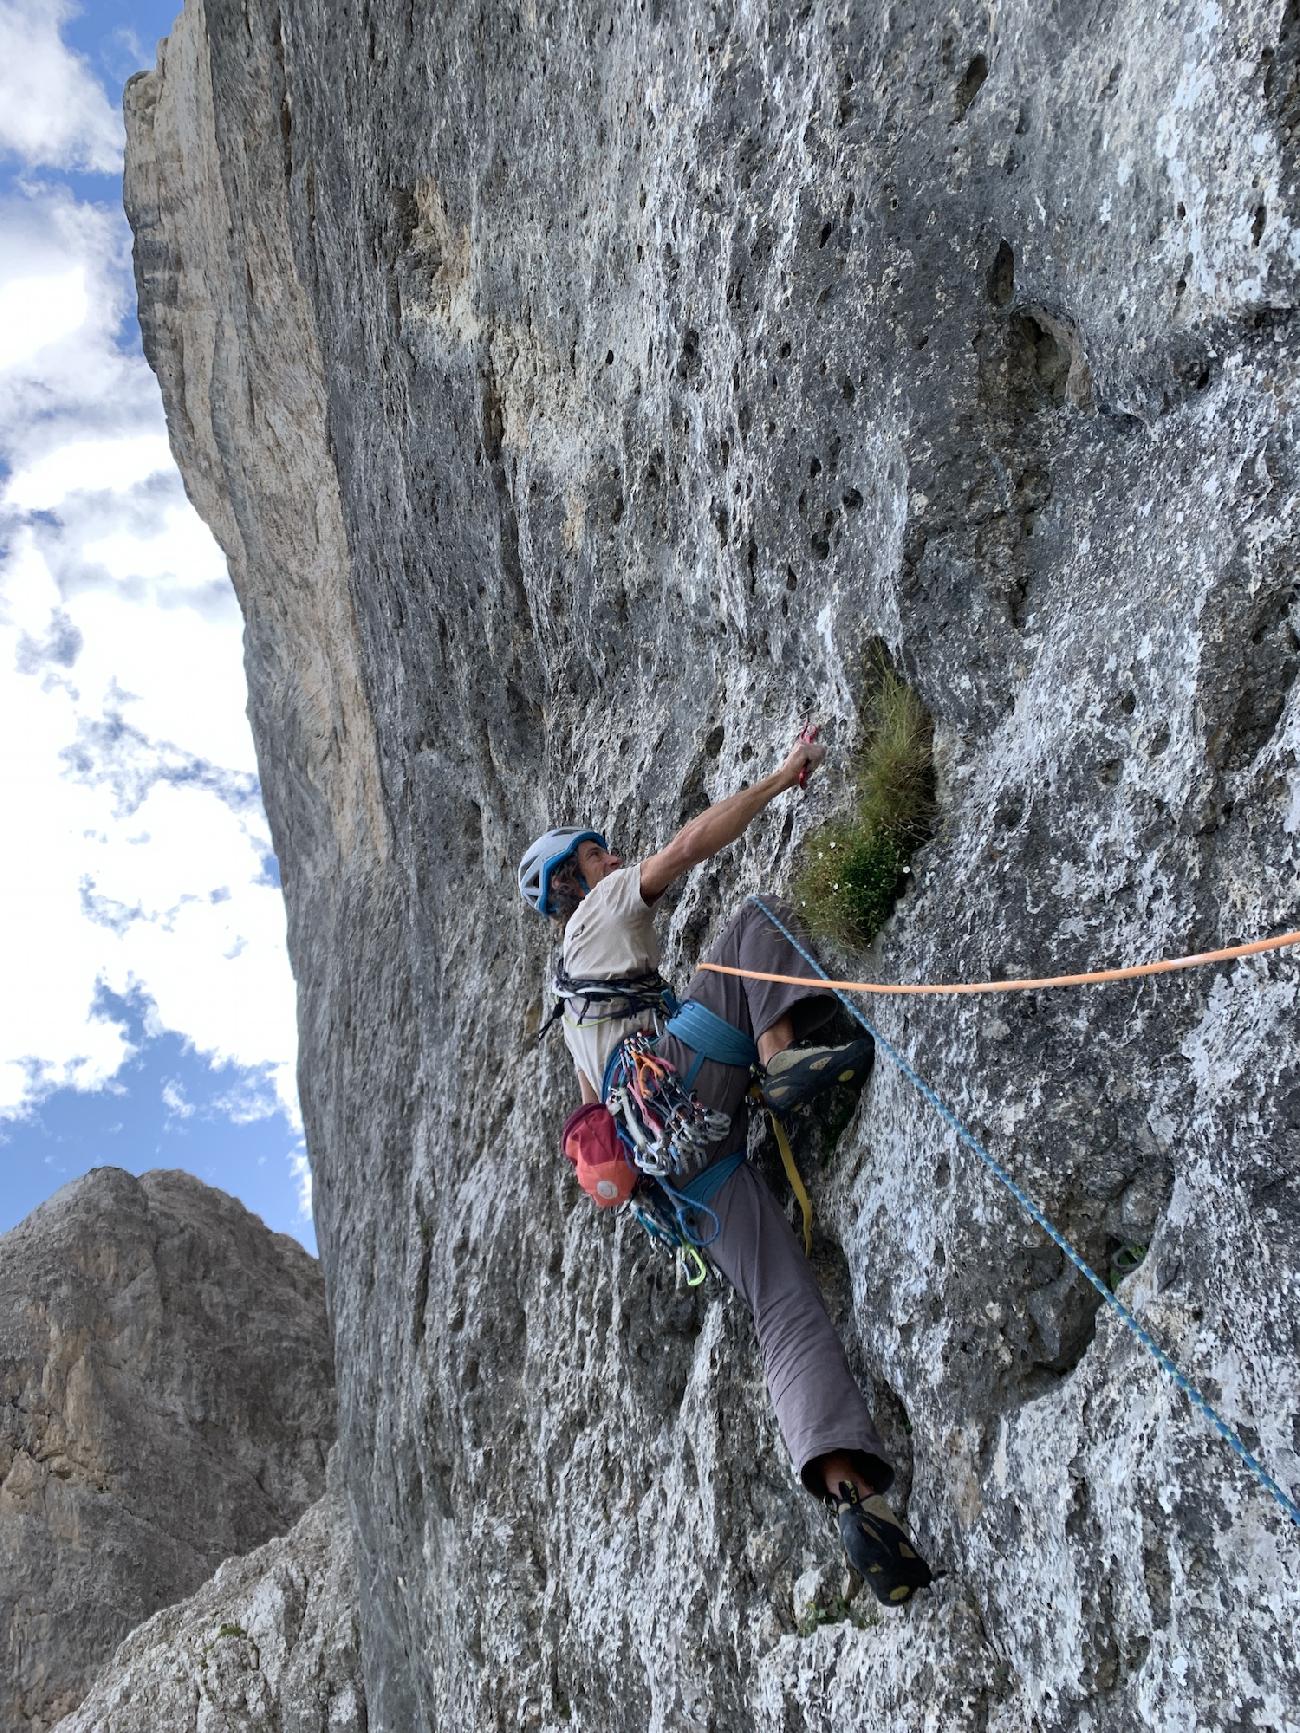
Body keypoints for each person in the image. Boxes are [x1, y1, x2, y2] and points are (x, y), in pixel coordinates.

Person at [519, 736, 932, 1606]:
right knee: (753, 928)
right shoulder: (593, 923)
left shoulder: (571, 1016)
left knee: (781, 1299)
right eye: (596, 852)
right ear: (569, 885)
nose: (615, 856)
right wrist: (783, 777)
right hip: (692, 1095)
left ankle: (847, 1482)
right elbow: (689, 844)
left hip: (682, 1175)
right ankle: (782, 1060)